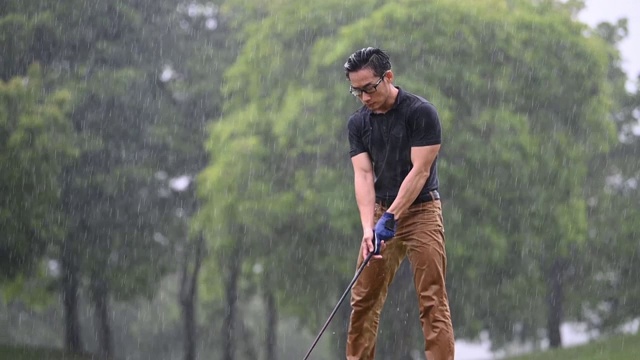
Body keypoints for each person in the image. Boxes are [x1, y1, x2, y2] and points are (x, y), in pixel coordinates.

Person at [343, 47, 455, 360]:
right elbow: (364, 175)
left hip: (422, 211)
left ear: (388, 77)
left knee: (432, 299)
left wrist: (391, 217)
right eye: (357, 91)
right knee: (363, 299)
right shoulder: (358, 124)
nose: (365, 97)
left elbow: (420, 171)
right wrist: (369, 228)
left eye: (369, 88)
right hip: (379, 212)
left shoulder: (420, 113)